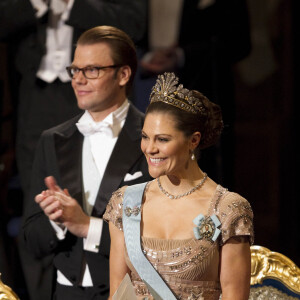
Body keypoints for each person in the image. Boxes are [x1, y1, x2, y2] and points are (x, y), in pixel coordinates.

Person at [0, 2, 147, 299]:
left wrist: (85, 226)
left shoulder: (151, 139)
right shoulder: (51, 140)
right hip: (65, 293)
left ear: (123, 75)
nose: (77, 79)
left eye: (90, 70)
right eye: (75, 69)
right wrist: (56, 221)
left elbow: (163, 241)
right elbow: (32, 239)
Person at [104, 72, 254, 299]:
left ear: (193, 141)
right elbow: (117, 293)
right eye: (145, 137)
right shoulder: (125, 203)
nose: (149, 148)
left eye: (162, 139)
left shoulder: (228, 209)